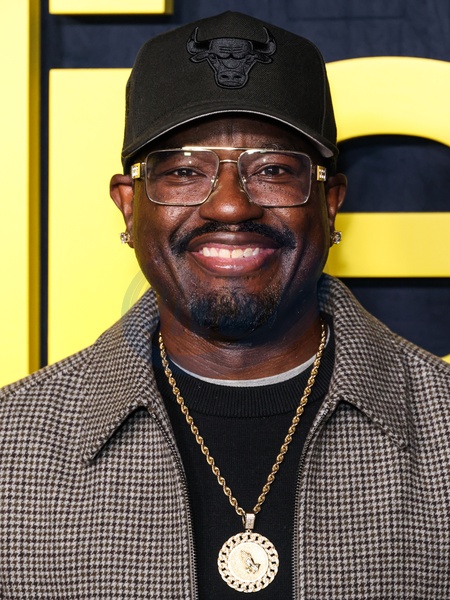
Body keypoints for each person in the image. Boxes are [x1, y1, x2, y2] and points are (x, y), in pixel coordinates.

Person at [1, 11, 449, 599]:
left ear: (330, 202)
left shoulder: (442, 429)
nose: (231, 206)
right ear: (130, 206)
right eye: (185, 171)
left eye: (274, 170)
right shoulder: (11, 448)